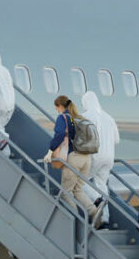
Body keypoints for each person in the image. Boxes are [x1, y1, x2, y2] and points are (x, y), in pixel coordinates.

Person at [45, 95, 102, 224]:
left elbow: (59, 135)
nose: (56, 110)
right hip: (86, 158)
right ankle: (93, 212)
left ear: (60, 106)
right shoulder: (76, 118)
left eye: (56, 107)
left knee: (66, 192)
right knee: (77, 190)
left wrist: (50, 152)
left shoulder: (63, 117)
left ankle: (77, 221)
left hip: (74, 158)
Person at [80, 91, 120, 226]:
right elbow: (116, 140)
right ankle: (105, 219)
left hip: (94, 155)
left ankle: (97, 199)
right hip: (109, 157)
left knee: (79, 179)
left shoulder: (85, 116)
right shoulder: (109, 118)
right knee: (102, 185)